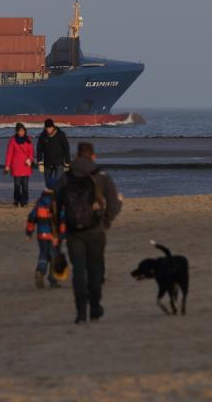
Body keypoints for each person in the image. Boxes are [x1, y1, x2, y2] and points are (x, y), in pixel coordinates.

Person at [57, 142, 123, 324]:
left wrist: (58, 229)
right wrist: (106, 221)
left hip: (73, 232)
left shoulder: (66, 176)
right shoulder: (101, 175)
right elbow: (115, 204)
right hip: (96, 229)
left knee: (78, 270)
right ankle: (95, 307)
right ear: (93, 156)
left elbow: (57, 204)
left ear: (77, 155)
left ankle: (80, 312)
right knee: (95, 269)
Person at [26, 188, 66, 289]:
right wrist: (62, 234)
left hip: (41, 235)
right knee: (54, 257)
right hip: (54, 236)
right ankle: (53, 281)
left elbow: (31, 217)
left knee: (43, 254)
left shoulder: (40, 202)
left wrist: (29, 232)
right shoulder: (58, 202)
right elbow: (62, 219)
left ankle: (40, 271)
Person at [4, 122, 35, 207]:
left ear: (25, 131)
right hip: (16, 166)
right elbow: (9, 154)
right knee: (17, 185)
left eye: (23, 130)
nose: (21, 132)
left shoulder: (28, 139)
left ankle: (24, 202)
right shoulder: (12, 140)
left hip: (26, 166)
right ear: (17, 131)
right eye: (19, 131)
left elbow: (31, 152)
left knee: (25, 186)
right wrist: (7, 165)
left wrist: (30, 159)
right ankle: (16, 200)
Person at [37, 118, 71, 189]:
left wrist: (67, 162)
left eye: (50, 127)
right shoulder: (42, 136)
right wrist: (40, 162)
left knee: (58, 183)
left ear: (53, 127)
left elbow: (66, 148)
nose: (48, 129)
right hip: (47, 163)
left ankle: (57, 198)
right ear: (45, 128)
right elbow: (39, 149)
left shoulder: (61, 135)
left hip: (59, 163)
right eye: (47, 128)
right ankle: (50, 198)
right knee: (48, 184)